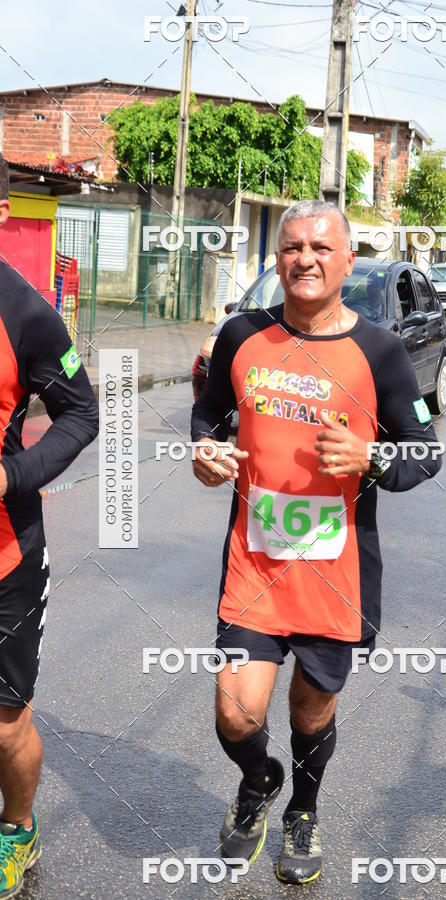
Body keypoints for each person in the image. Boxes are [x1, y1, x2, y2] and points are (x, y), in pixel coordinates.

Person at [191, 199, 443, 884]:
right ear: (278, 259)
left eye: (321, 248)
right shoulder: (242, 334)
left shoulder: (380, 351)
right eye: (292, 247)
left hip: (338, 573)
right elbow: (208, 414)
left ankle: (303, 809)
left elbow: (426, 452)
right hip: (254, 563)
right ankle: (259, 780)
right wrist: (205, 450)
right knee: (235, 713)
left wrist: (373, 457)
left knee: (310, 708)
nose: (305, 259)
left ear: (347, 260)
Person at [0, 153, 99, 897]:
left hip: (3, 555)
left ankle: (17, 829)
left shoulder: (25, 311)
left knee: (4, 724)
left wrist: (13, 476)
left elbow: (81, 414)